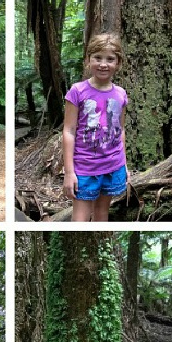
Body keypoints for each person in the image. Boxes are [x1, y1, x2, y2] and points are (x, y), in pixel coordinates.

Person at [63, 33, 129, 222]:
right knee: (80, 220)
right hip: (85, 168)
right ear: (88, 60)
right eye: (97, 58)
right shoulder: (77, 91)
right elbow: (68, 131)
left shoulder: (120, 94)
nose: (103, 64)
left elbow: (120, 130)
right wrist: (69, 172)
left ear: (118, 63)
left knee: (102, 216)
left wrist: (124, 165)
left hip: (113, 166)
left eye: (110, 59)